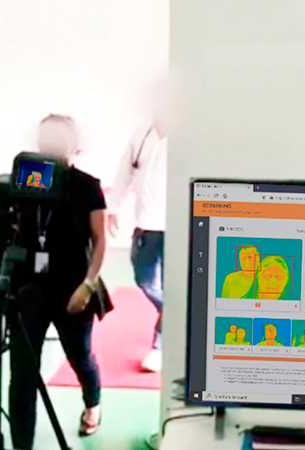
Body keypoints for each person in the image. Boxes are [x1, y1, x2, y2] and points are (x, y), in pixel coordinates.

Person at [8, 114, 112, 447]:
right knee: (23, 371)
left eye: (58, 137)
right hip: (30, 287)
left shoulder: (86, 185)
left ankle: (92, 404)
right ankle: (21, 442)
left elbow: (100, 240)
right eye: (46, 136)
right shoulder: (28, 179)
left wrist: (88, 284)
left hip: (73, 286)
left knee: (79, 355)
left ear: (73, 144)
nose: (51, 143)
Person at [108, 81, 171, 372]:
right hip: (146, 224)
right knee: (145, 280)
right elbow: (125, 173)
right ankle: (177, 317)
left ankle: (160, 345)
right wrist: (113, 207)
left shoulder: (189, 138)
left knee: (173, 284)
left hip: (177, 226)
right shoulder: (142, 136)